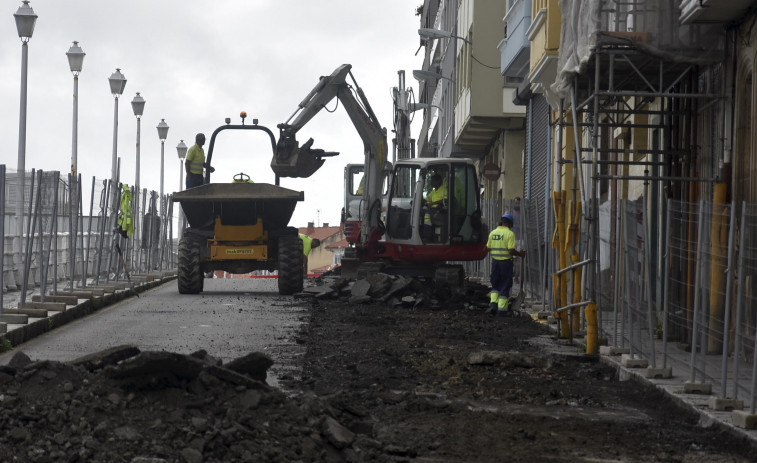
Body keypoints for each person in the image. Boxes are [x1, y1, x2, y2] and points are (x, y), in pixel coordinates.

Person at [486, 213, 525, 316]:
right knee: (505, 284)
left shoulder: (493, 233)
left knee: (495, 284)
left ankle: (493, 305)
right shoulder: (509, 234)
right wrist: (520, 254)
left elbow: (488, 248)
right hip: (505, 263)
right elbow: (511, 251)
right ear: (509, 223)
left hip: (495, 262)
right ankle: (502, 309)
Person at [422, 173, 448, 241]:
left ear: (438, 181)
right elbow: (427, 198)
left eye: (432, 181)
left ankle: (427, 235)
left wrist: (432, 203)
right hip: (433, 210)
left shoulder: (443, 190)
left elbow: (445, 200)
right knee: (421, 212)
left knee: (427, 215)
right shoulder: (433, 191)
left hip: (440, 211)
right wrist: (418, 200)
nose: (431, 182)